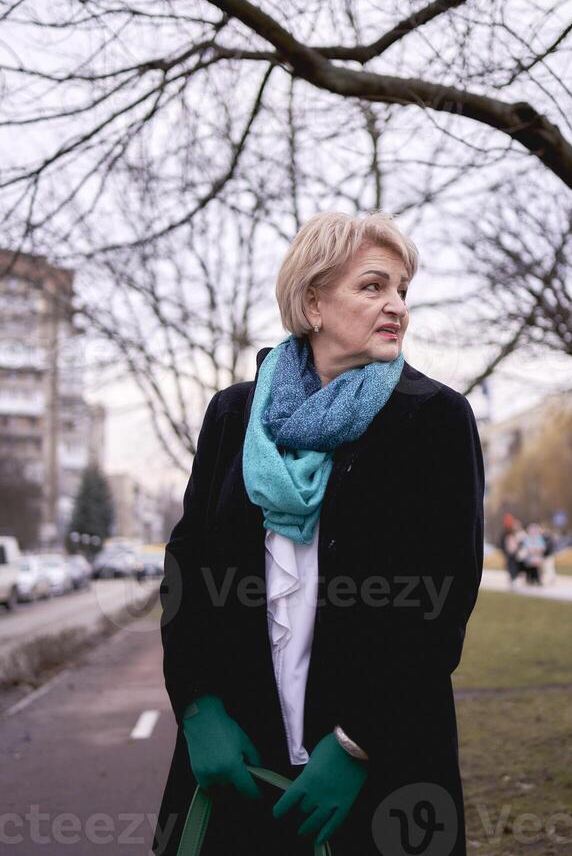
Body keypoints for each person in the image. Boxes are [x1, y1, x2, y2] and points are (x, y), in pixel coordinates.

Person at [151, 211, 485, 856]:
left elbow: (443, 602)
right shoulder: (233, 416)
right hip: (242, 761)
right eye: (373, 287)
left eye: (402, 291)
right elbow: (186, 566)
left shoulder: (433, 418)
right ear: (312, 302)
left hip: (375, 770)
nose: (396, 307)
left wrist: (361, 741)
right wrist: (197, 707)